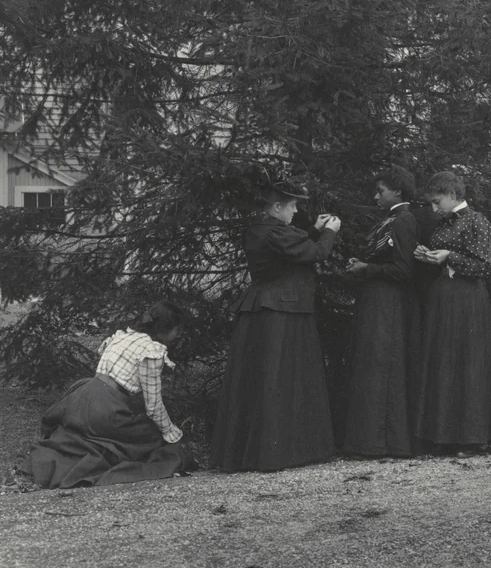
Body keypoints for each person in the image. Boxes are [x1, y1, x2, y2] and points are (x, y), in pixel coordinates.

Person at [211, 178, 340, 471]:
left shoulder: (262, 230)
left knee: (267, 380)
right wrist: (330, 232)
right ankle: (276, 454)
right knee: (279, 379)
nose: (295, 211)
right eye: (292, 206)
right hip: (282, 311)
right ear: (277, 206)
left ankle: (258, 453)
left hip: (266, 308)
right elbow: (315, 253)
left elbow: (289, 250)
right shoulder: (277, 233)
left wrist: (314, 230)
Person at [23, 302, 190, 488]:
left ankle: (62, 457)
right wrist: (172, 433)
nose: (178, 336)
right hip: (106, 406)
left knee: (94, 436)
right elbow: (153, 406)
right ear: (164, 330)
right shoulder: (151, 352)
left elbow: (109, 366)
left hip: (81, 395)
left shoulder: (123, 337)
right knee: (151, 439)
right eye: (177, 330)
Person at [414, 171, 491, 449]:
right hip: (444, 297)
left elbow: (487, 267)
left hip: (467, 300)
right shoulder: (445, 222)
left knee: (466, 364)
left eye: (437, 202)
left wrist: (450, 256)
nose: (433, 209)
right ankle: (444, 435)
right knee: (445, 362)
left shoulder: (476, 221)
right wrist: (430, 257)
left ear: (454, 195)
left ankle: (471, 436)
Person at [342, 168, 422, 458]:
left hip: (391, 304)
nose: (376, 196)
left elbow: (404, 270)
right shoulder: (391, 220)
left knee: (384, 367)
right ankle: (371, 440)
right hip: (379, 301)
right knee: (375, 366)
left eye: (381, 191)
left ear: (398, 191)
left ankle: (385, 441)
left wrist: (368, 269)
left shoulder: (404, 221)